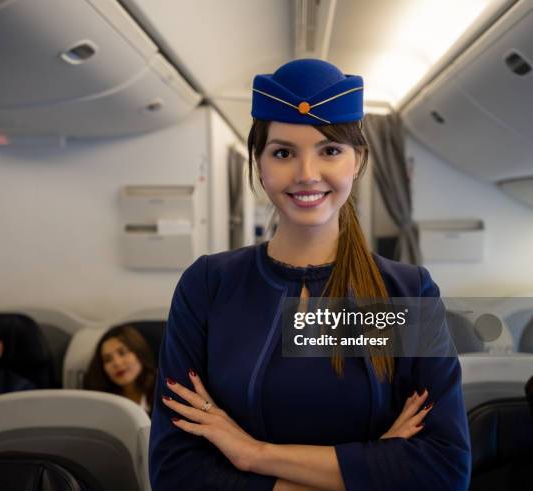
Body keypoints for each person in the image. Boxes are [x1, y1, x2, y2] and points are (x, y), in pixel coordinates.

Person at [149, 59, 471, 490]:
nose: (306, 174)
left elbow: (444, 471)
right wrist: (372, 468)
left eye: (330, 150)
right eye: (283, 152)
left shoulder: (406, 292)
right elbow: (175, 470)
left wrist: (253, 454)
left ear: (357, 161)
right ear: (258, 163)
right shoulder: (209, 286)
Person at [83, 324, 156, 415]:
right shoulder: (102, 403)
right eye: (107, 359)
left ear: (140, 353)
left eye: (122, 353)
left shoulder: (163, 389)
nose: (117, 363)